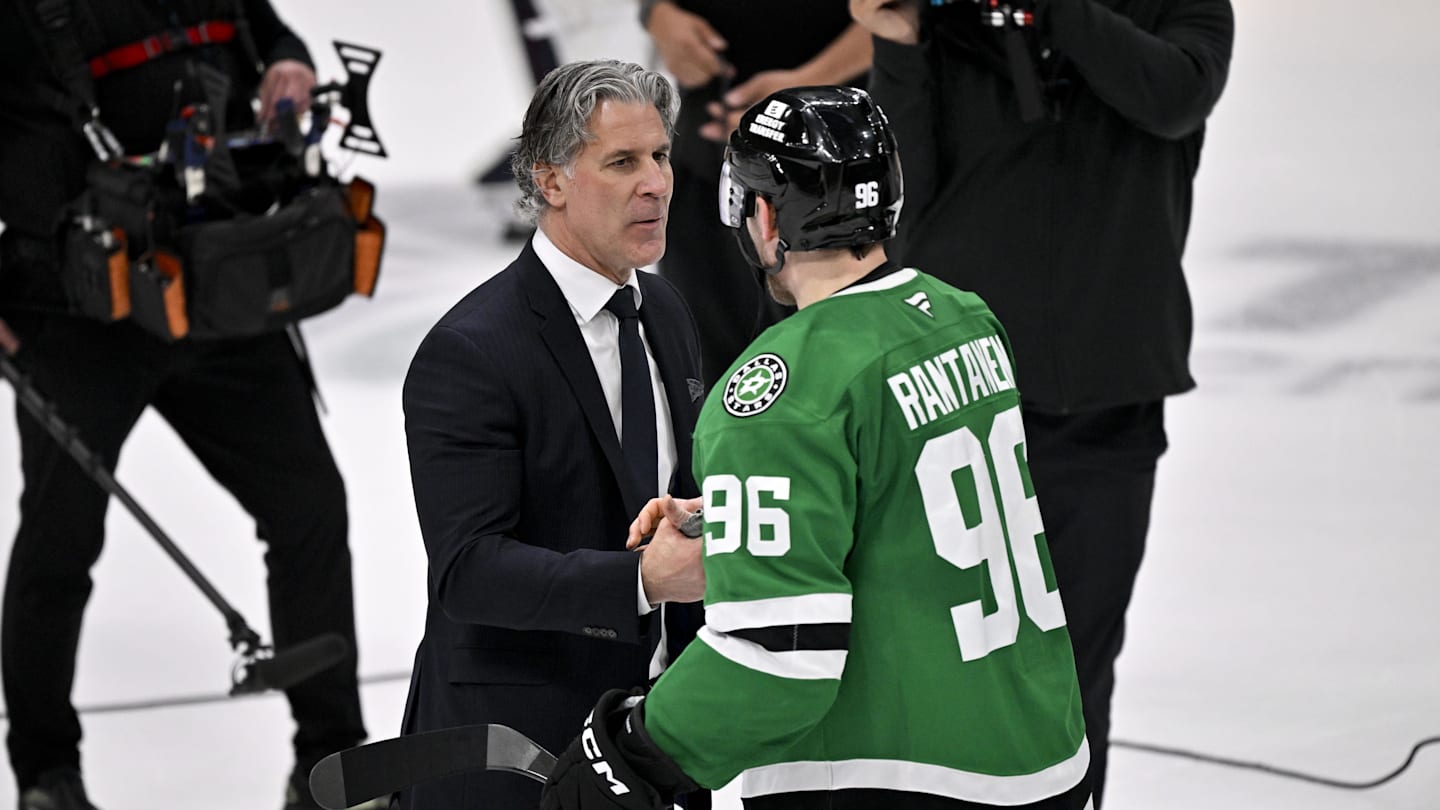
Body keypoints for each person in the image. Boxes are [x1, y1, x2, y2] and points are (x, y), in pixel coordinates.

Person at [539, 85, 1091, 810]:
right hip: (1044, 754)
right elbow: (910, 494)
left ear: (762, 216)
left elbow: (776, 662)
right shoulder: (963, 318)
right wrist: (741, 515)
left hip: (906, 776)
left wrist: (634, 753)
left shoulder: (778, 390)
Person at [848, 1, 1234, 804]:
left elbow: (1174, 97)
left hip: (1108, 393)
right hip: (955, 404)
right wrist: (898, 42)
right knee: (938, 656)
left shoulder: (1175, 8)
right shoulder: (948, 21)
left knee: (1078, 660)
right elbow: (901, 199)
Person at [0, 2, 375, 809]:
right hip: (72, 311)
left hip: (216, 291)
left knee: (308, 504)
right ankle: (45, 773)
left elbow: (265, 33)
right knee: (59, 547)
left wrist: (290, 65)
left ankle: (333, 764)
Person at [398, 59, 708, 810]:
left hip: (658, 740)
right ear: (552, 180)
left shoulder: (665, 310)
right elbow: (468, 570)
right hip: (517, 752)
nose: (657, 184)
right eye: (623, 162)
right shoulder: (470, 351)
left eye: (661, 156)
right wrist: (639, 582)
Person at [639, 0, 873, 388]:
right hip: (708, 166)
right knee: (710, 380)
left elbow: (908, 14)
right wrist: (657, 14)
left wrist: (809, 83)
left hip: (837, 168)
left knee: (841, 378)